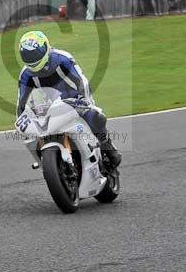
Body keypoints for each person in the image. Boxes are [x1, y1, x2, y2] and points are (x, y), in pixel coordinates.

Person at [16, 31, 122, 169]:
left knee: (95, 117)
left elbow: (81, 80)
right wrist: (20, 118)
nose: (32, 58)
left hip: (76, 99)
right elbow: (21, 101)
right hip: (50, 105)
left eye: (35, 54)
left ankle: (108, 147)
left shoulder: (62, 58)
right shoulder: (25, 74)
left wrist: (85, 100)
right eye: (28, 55)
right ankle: (44, 162)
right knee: (33, 133)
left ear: (46, 47)